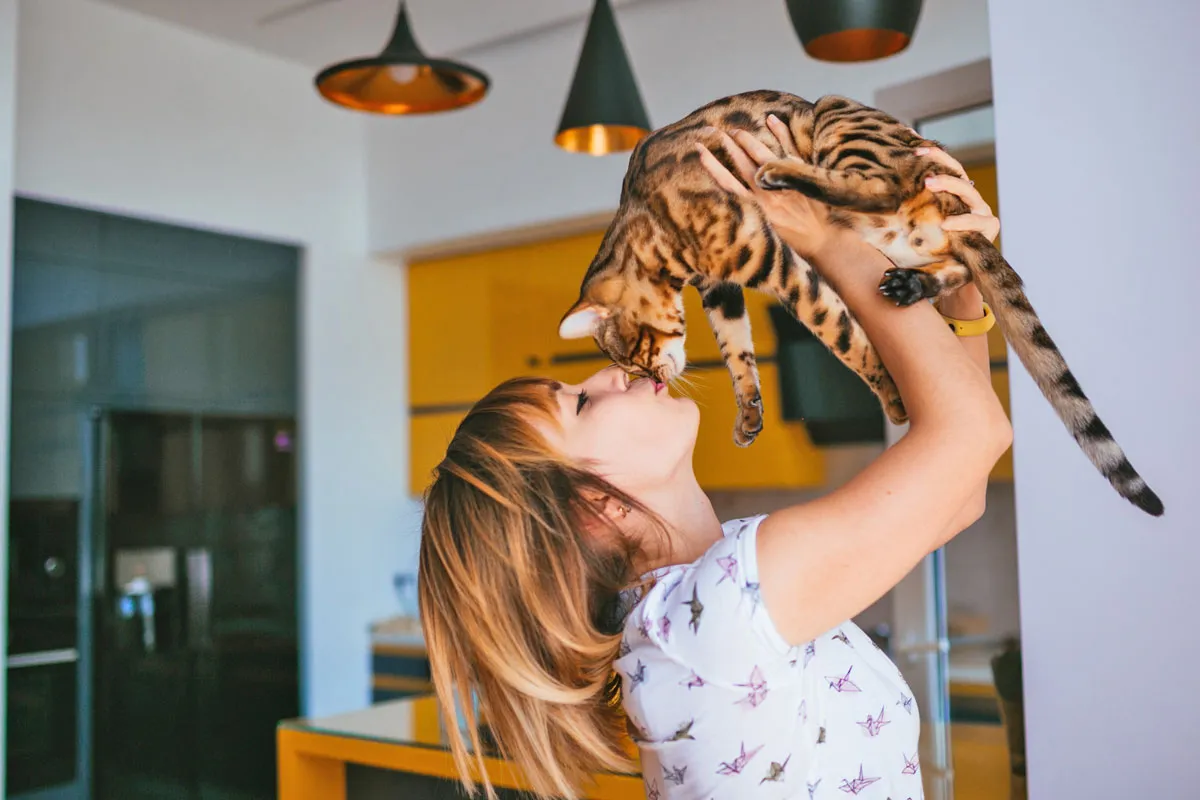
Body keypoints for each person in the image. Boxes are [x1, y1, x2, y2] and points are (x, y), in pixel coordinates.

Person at [416, 121, 1011, 800]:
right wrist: (826, 239)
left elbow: (960, 494)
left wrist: (960, 297)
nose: (609, 372)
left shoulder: (701, 603)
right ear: (595, 505)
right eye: (579, 403)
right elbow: (970, 438)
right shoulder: (717, 612)